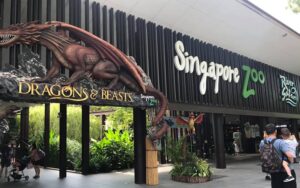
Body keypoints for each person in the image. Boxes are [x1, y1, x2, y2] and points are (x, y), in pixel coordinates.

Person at [260, 123, 297, 188]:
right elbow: (290, 155)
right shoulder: (280, 142)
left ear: (266, 132)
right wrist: (290, 161)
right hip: (285, 172)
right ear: (275, 131)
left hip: (273, 171)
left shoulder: (262, 142)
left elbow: (262, 153)